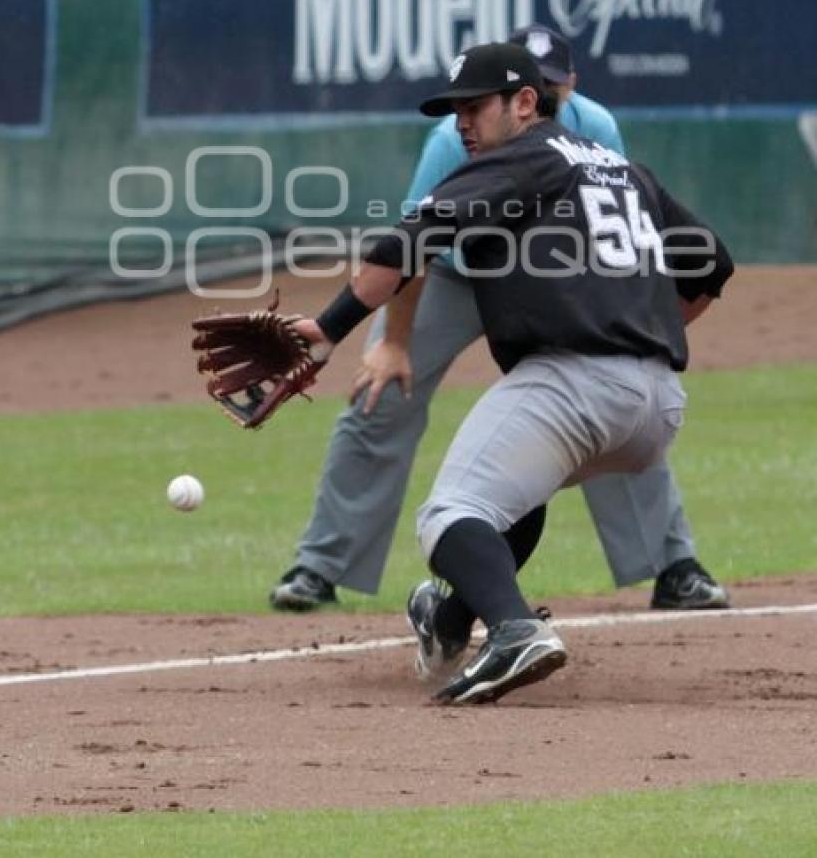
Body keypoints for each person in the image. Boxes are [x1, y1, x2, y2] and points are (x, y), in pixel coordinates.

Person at [291, 42, 735, 703]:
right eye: (455, 109)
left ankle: (514, 629)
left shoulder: (518, 158)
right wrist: (647, 326)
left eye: (475, 106)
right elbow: (713, 266)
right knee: (512, 495)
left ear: (524, 101)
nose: (462, 122)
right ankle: (447, 622)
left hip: (574, 384)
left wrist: (328, 329)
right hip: (657, 404)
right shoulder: (622, 167)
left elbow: (407, 242)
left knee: (449, 514)